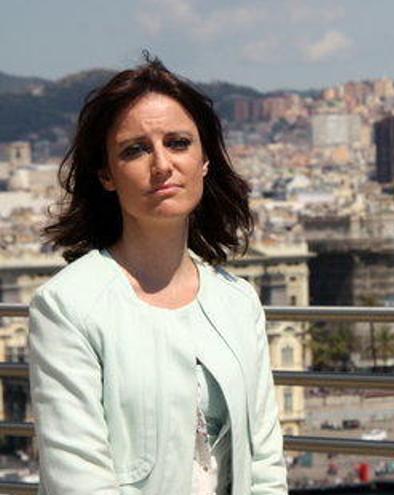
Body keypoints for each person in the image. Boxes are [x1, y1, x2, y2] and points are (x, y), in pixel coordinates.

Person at [28, 57, 288, 494]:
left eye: (179, 142)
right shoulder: (67, 306)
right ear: (106, 175)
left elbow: (264, 462)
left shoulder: (238, 301)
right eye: (136, 149)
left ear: (205, 160)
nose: (162, 164)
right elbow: (79, 480)